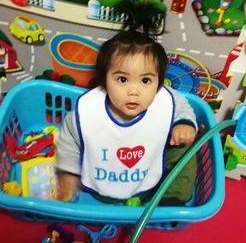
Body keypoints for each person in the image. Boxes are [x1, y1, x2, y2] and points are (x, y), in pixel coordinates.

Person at [55, 28, 198, 206]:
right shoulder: (88, 112)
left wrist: (184, 124)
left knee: (186, 147)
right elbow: (70, 141)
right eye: (122, 79)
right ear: (104, 80)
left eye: (145, 81)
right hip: (103, 186)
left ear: (159, 83)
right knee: (75, 140)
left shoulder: (165, 99)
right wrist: (69, 174)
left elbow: (182, 105)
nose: (133, 91)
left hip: (150, 181)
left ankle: (172, 199)